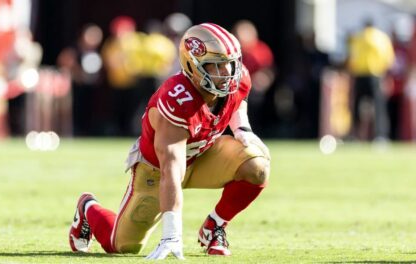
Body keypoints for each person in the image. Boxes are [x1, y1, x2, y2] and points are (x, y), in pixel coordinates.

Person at [68, 23, 271, 259]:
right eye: (216, 66)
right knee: (123, 246)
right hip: (156, 170)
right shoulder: (176, 98)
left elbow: (238, 98)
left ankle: (214, 226)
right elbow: (171, 170)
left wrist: (242, 128)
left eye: (229, 63)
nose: (226, 72)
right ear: (192, 66)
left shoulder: (237, 76)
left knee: (256, 166)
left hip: (202, 152)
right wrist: (172, 235)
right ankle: (88, 207)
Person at [347, 19, 395, 141]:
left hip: (360, 75)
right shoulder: (382, 38)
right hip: (376, 75)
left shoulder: (358, 37)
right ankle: (380, 136)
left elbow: (352, 58)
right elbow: (388, 59)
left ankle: (354, 135)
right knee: (379, 108)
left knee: (356, 106)